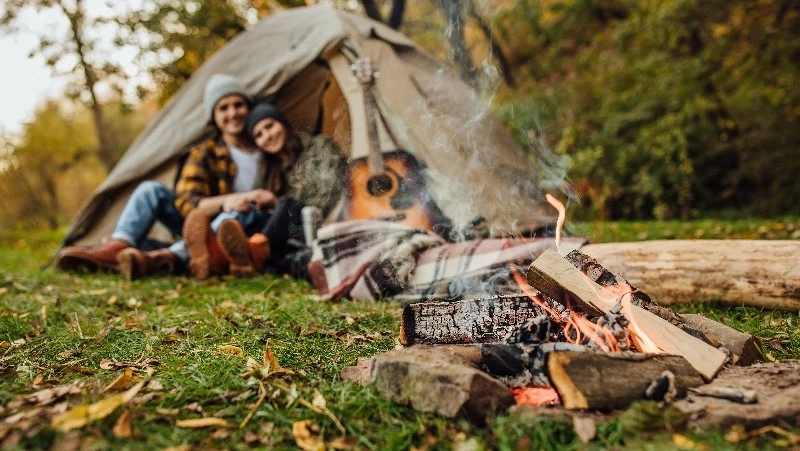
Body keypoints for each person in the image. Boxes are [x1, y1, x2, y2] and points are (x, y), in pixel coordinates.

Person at [56, 73, 276, 280]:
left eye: (238, 104)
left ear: (248, 107)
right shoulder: (205, 153)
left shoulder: (268, 148)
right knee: (149, 190)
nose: (232, 113)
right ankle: (117, 248)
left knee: (236, 215)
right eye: (223, 108)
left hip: (240, 229)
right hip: (199, 225)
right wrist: (226, 201)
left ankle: (166, 258)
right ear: (214, 116)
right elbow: (187, 202)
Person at [182, 100, 346, 279]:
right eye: (259, 135)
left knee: (285, 205)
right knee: (252, 213)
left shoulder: (319, 146)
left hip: (317, 220)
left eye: (270, 126)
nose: (267, 136)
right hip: (287, 232)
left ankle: (254, 252)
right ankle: (224, 255)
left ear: (282, 122)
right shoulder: (269, 167)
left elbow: (326, 195)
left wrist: (279, 205)